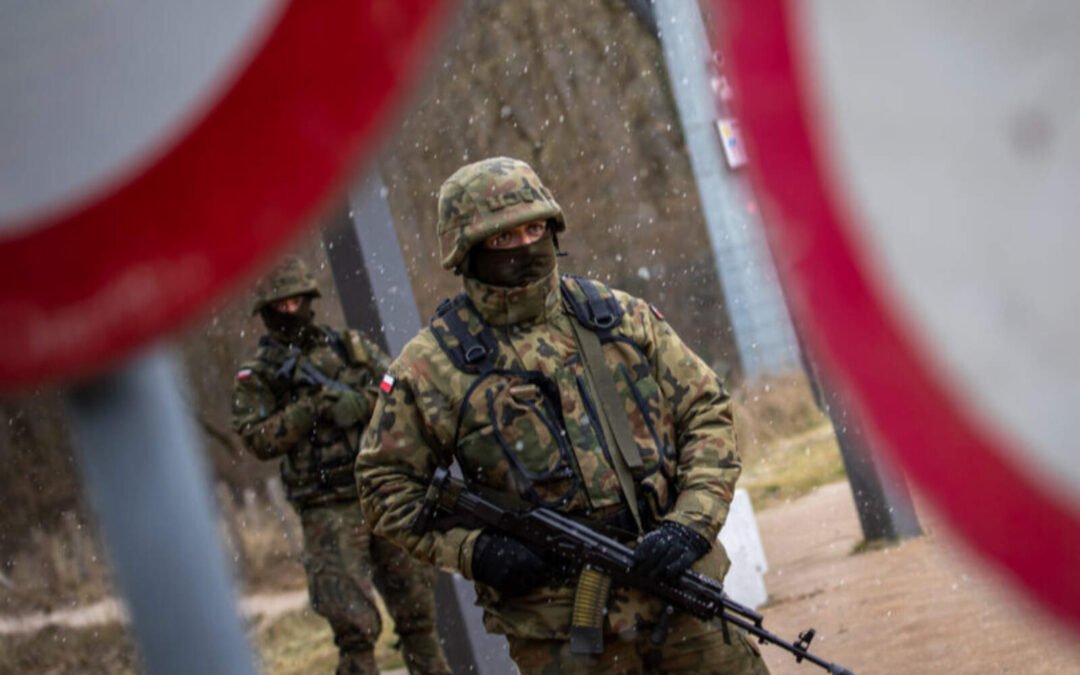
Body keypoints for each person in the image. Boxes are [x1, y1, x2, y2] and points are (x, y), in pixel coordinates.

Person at [355, 157, 770, 674]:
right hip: (559, 632)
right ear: (467, 251)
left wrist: (690, 523)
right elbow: (384, 486)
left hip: (680, 594)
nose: (526, 247)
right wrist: (476, 551)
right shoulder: (432, 366)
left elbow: (706, 412)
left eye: (535, 230)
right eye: (504, 238)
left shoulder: (618, 317)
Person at [231, 257, 450, 675]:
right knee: (353, 625)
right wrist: (308, 410)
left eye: (296, 301)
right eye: (281, 305)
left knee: (418, 610)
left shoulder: (348, 347)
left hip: (380, 488)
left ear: (309, 299)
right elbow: (258, 438)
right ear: (266, 311)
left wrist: (361, 402)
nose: (291, 311)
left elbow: (400, 386)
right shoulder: (259, 375)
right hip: (327, 506)